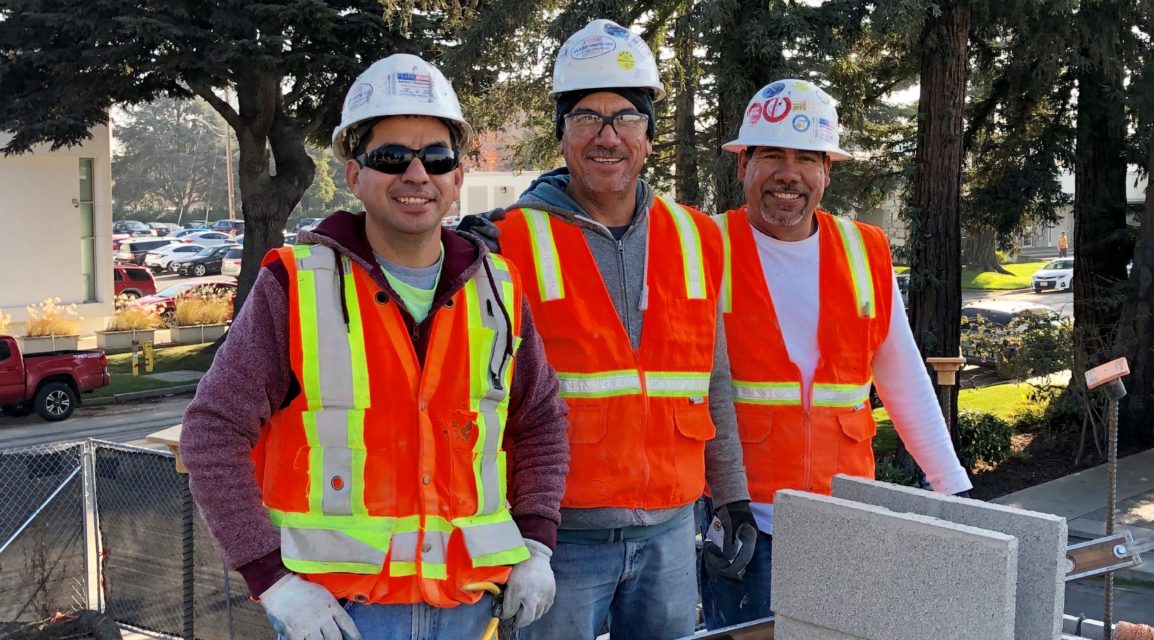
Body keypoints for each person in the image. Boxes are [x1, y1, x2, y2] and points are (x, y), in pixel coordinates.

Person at [179, 54, 570, 639]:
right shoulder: (297, 285)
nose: (417, 175)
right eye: (391, 157)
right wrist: (273, 581)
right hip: (341, 616)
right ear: (353, 173)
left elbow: (541, 420)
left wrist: (537, 542)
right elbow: (211, 433)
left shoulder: (499, 289)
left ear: (458, 176)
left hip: (469, 610)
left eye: (436, 157)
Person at [460, 19, 754, 640]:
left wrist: (733, 498)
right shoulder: (507, 240)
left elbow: (714, 381)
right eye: (586, 117)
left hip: (672, 532)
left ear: (648, 136)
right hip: (557, 539)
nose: (606, 135)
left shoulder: (698, 238)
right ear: (563, 136)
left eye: (624, 116)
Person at [699, 78, 973, 629]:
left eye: (805, 158)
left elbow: (903, 376)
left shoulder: (864, 249)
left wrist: (952, 485)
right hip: (744, 520)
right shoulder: (705, 245)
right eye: (771, 154)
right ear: (742, 167)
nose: (788, 174)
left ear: (827, 171)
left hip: (848, 514)